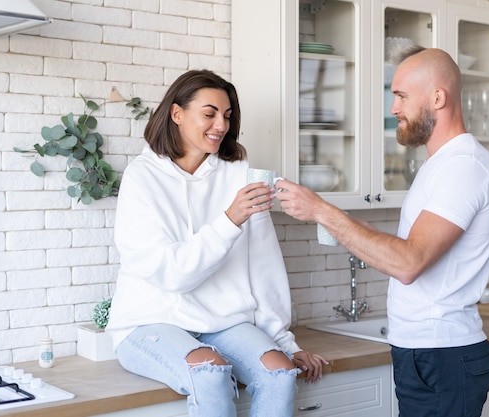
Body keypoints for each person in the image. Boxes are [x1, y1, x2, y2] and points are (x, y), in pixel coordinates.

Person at [276, 48, 489, 417]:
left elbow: (408, 262)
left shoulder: (464, 167)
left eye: (400, 96)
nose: (393, 108)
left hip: (442, 354)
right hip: (427, 353)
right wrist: (330, 218)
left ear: (437, 98)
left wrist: (322, 210)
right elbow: (405, 248)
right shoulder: (442, 164)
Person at [105, 69, 328, 417]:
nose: (221, 126)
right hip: (150, 321)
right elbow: (173, 276)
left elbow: (264, 262)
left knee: (280, 373)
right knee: (208, 371)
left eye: (226, 116)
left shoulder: (238, 173)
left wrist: (284, 343)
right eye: (209, 114)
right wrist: (230, 219)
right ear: (177, 114)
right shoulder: (142, 178)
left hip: (223, 322)